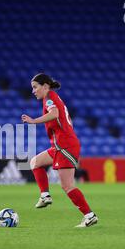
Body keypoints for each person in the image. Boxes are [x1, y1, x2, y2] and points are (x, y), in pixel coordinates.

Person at [21, 73, 98, 228]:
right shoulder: (51, 97)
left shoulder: (49, 97)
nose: (33, 91)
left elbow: (55, 114)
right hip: (60, 146)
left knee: (67, 186)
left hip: (65, 146)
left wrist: (33, 121)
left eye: (35, 87)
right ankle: (45, 195)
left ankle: (89, 216)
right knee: (35, 162)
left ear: (45, 86)